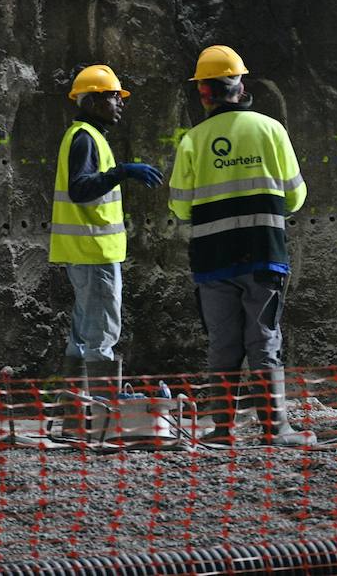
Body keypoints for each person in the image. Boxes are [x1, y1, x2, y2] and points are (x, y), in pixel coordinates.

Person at [168, 45, 313, 446]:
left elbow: (179, 206)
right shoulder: (271, 130)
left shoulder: (193, 140)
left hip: (213, 260)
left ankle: (222, 431)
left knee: (223, 345)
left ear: (204, 93)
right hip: (263, 254)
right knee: (264, 341)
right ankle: (275, 429)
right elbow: (296, 197)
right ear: (241, 85)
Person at [48, 64, 164, 411]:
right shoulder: (85, 137)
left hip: (87, 251)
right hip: (93, 251)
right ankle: (102, 408)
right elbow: (81, 189)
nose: (120, 104)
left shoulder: (85, 136)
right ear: (94, 101)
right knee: (101, 332)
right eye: (114, 96)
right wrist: (122, 172)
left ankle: (75, 409)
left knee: (83, 333)